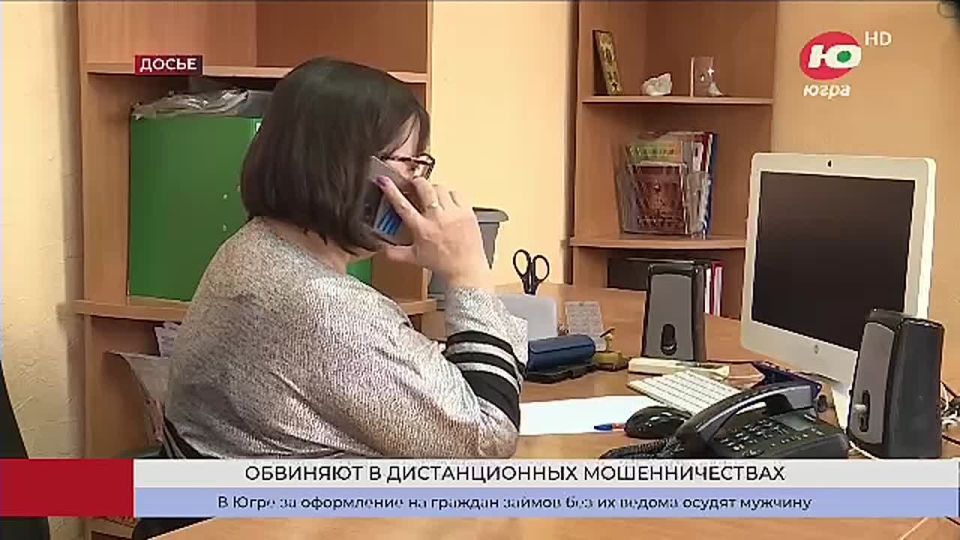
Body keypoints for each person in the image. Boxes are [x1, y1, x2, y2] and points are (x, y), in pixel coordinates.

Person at [161, 58, 527, 460]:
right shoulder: (324, 306)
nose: (417, 186)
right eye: (410, 164)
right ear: (351, 169)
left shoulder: (252, 246)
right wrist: (468, 270)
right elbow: (489, 437)